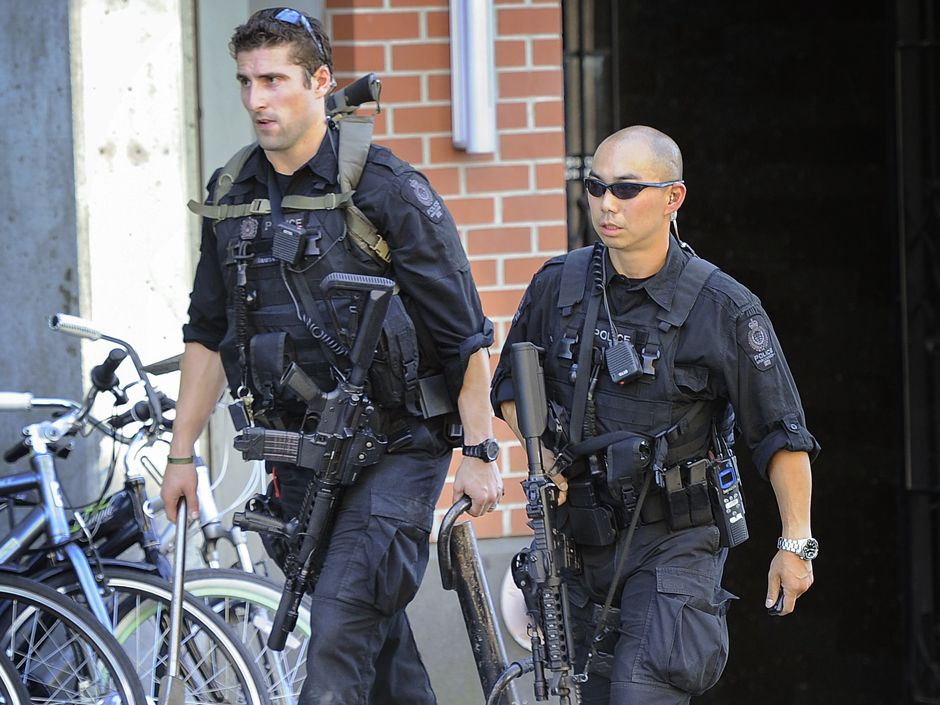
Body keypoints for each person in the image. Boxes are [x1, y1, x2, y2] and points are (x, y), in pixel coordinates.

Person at [159, 8, 503, 705]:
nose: (257, 99)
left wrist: (480, 449)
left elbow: (464, 334)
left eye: (275, 79)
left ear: (321, 81)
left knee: (339, 630)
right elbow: (209, 332)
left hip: (399, 447)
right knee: (377, 651)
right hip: (300, 456)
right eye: (246, 81)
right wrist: (181, 451)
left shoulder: (386, 189)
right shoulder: (233, 194)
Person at [491, 125, 819, 705]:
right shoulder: (556, 284)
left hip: (675, 540)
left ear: (674, 197)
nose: (606, 204)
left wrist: (796, 543)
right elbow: (512, 389)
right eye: (596, 188)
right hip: (577, 537)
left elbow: (780, 434)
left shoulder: (724, 307)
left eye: (626, 188)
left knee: (643, 693)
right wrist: (543, 458)